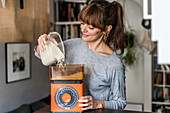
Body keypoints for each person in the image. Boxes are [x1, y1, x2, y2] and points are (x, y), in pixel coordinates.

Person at [35, 0, 126, 110]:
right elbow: (42, 55)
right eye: (83, 23)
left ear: (106, 29)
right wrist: (43, 44)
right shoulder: (72, 45)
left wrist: (97, 103)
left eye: (91, 27)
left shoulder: (113, 64)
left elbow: (120, 102)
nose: (83, 29)